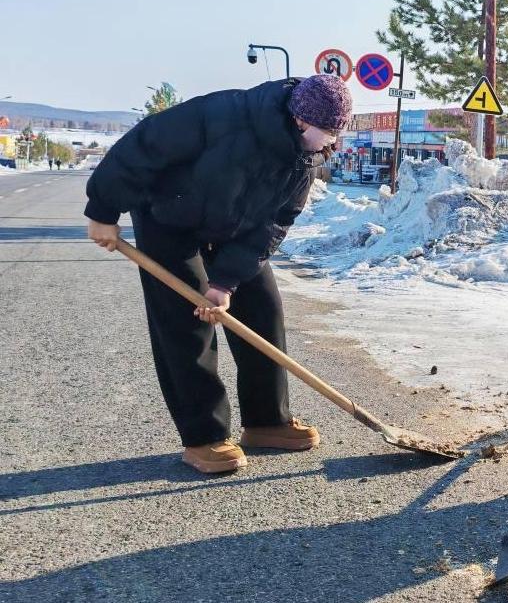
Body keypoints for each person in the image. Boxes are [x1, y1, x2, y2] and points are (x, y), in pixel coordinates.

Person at [85, 75, 353, 475]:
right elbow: (144, 146)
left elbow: (276, 223)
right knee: (187, 323)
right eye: (329, 131)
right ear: (300, 119)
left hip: (235, 230)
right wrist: (102, 210)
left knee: (263, 311)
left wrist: (225, 282)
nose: (333, 141)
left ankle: (266, 421)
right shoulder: (225, 114)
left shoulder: (306, 158)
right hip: (169, 219)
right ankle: (204, 436)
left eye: (338, 131)